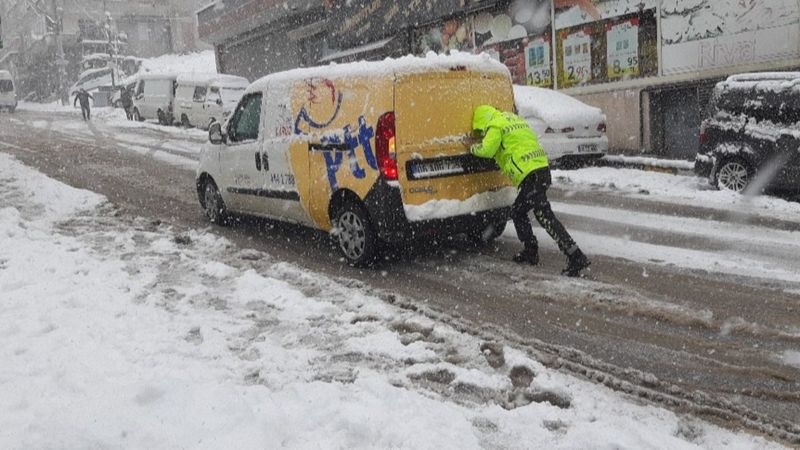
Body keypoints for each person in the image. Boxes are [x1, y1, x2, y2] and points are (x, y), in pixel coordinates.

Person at [469, 105, 590, 277]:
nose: (482, 132)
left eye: (481, 129)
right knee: (518, 212)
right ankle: (531, 251)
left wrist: (472, 148)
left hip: (530, 175)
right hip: (541, 169)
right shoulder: (514, 120)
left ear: (482, 121)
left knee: (544, 216)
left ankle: (575, 255)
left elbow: (487, 150)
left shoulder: (495, 125)